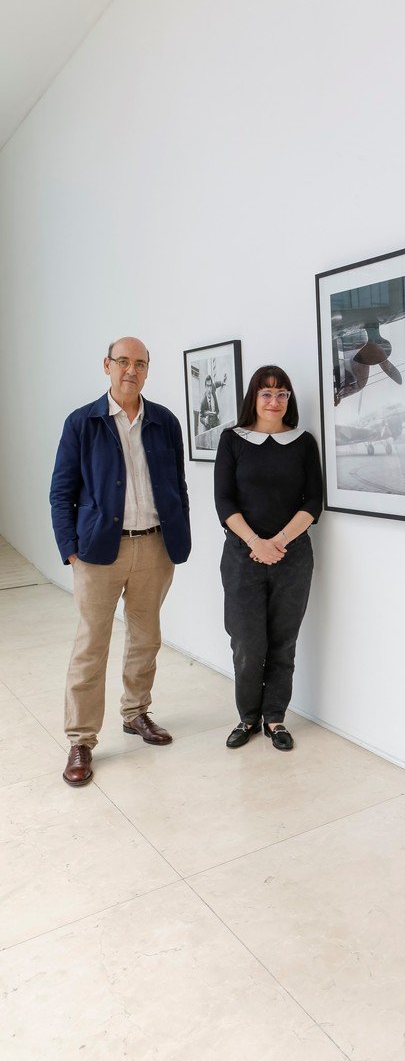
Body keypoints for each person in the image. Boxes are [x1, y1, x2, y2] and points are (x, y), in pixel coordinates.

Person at [50, 337, 191, 787]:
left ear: (148, 371)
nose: (132, 370)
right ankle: (81, 739)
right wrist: (69, 546)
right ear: (107, 366)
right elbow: (61, 491)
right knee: (92, 644)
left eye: (141, 363)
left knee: (146, 637)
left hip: (154, 545)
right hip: (98, 550)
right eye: (124, 362)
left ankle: (136, 714)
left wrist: (177, 530)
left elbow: (179, 484)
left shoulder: (165, 421)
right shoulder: (82, 422)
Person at [214, 365, 322, 752]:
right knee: (246, 643)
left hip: (293, 558)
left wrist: (277, 541)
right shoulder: (232, 440)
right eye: (266, 394)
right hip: (242, 557)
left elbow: (313, 502)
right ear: (253, 399)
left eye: (281, 394)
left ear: (288, 400)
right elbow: (223, 500)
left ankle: (275, 717)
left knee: (282, 642)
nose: (274, 401)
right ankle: (248, 717)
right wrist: (255, 543)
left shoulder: (304, 442)